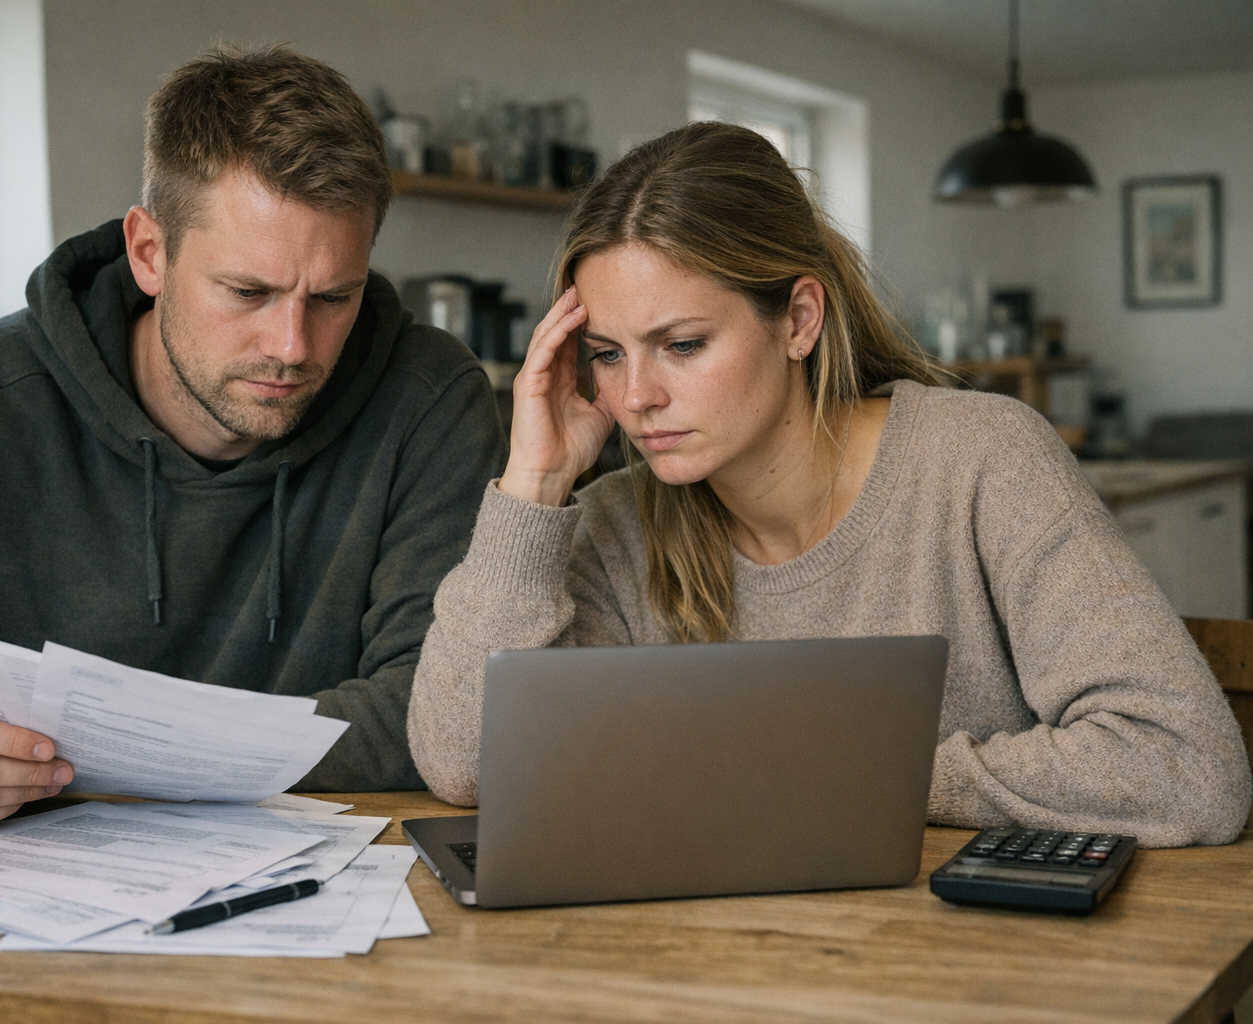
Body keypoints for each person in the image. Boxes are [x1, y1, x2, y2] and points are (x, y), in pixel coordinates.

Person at [407, 120, 1250, 847]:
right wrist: (534, 483)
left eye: (683, 345)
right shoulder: (607, 525)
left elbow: (1187, 768)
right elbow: (463, 764)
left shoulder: (981, 459)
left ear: (799, 320)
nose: (636, 397)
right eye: (606, 354)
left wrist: (837, 774)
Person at [0, 45, 505, 832]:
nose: (292, 346)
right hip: (30, 889)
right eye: (248, 291)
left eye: (334, 298)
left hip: (338, 881)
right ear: (149, 253)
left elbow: (442, 713)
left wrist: (128, 752)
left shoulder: (427, 397)